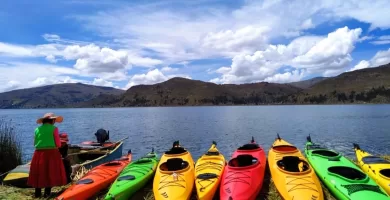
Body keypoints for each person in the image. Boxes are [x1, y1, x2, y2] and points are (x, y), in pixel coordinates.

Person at [27, 113, 67, 198]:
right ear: (52, 120)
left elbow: (35, 143)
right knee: (50, 171)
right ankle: (47, 193)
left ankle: (37, 194)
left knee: (39, 172)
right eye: (54, 120)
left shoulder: (37, 129)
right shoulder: (54, 129)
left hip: (38, 153)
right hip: (51, 153)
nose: (55, 122)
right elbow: (58, 144)